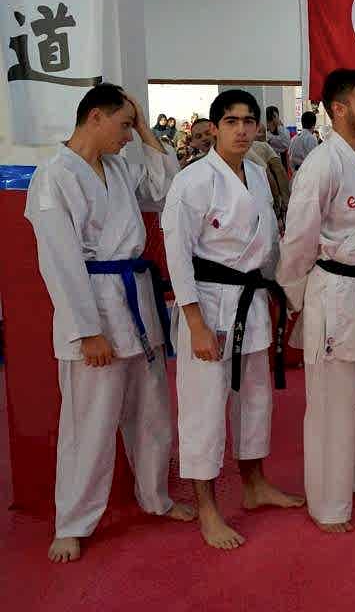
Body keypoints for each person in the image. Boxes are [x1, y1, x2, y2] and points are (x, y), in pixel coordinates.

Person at [24, 84, 195, 563]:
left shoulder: (118, 167)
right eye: (123, 126)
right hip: (94, 308)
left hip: (136, 304)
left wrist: (145, 128)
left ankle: (156, 497)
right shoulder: (54, 176)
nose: (128, 137)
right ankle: (73, 522)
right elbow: (58, 262)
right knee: (90, 424)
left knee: (152, 410)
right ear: (95, 117)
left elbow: (166, 186)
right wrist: (87, 331)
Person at [162, 90, 304, 551]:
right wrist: (195, 323)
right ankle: (206, 507)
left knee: (255, 400)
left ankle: (255, 483)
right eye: (231, 121)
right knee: (204, 407)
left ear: (258, 127)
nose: (241, 130)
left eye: (248, 121)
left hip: (252, 299)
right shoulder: (192, 181)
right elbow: (177, 257)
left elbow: (270, 243)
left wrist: (284, 292)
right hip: (208, 303)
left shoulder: (258, 174)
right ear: (214, 127)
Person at [277, 69, 355, 532]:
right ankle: (328, 503)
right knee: (331, 399)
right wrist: (297, 297)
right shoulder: (322, 163)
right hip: (336, 291)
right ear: (339, 109)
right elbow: (298, 239)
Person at [246, 125, 291, 226]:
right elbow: (279, 170)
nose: (263, 135)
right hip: (265, 199)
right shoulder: (263, 146)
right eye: (260, 132)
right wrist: (283, 200)